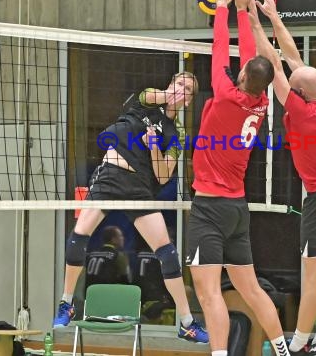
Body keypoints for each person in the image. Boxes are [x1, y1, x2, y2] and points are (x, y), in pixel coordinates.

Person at [53, 72, 208, 344]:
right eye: (179, 83)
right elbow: (149, 95)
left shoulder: (177, 132)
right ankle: (67, 303)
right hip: (110, 177)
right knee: (78, 238)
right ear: (171, 84)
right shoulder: (146, 100)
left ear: (189, 101)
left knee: (168, 253)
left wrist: (154, 149)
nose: (181, 90)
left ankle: (186, 323)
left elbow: (163, 175)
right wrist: (169, 95)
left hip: (140, 188)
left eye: (188, 90)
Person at [185, 0, 289, 356]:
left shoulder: (228, 97)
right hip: (237, 209)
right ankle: (281, 349)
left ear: (242, 78)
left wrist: (224, 10)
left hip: (211, 210)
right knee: (250, 288)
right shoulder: (262, 102)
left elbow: (218, 50)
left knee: (209, 292)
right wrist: (242, 12)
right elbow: (248, 60)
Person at [249, 0, 316, 355]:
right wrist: (274, 15)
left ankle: (298, 346)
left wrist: (251, 18)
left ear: (297, 94)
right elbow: (293, 60)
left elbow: (274, 64)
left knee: (313, 280)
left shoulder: (303, 113)